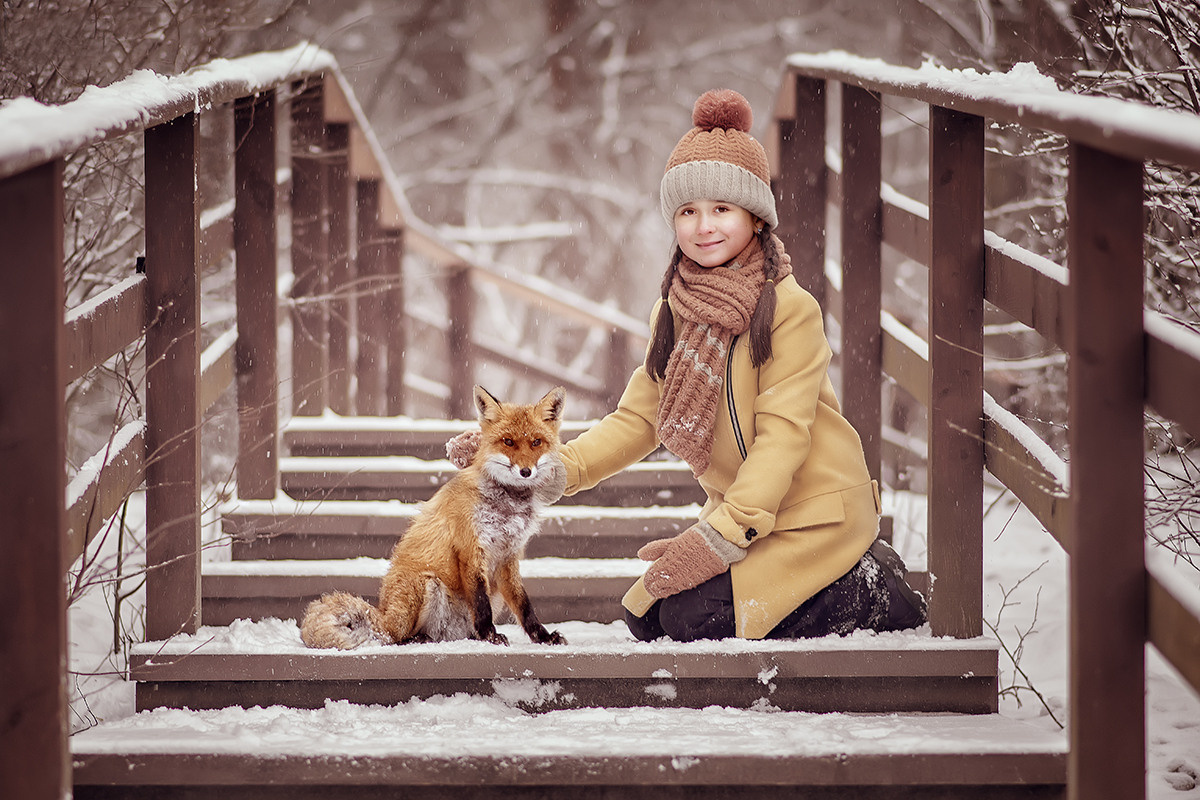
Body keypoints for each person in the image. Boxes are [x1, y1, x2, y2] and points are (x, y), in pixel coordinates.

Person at [454, 88, 927, 642]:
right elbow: (637, 419)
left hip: (810, 515)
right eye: (687, 211)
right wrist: (554, 468)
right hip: (749, 517)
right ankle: (804, 582)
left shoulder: (789, 310)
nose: (703, 226)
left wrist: (721, 536)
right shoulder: (674, 313)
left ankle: (872, 589)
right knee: (644, 617)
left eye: (721, 209)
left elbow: (782, 439)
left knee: (689, 619)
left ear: (755, 217)